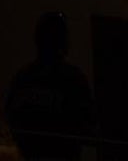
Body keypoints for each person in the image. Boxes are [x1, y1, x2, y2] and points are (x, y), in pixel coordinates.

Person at [6, 13, 97, 161]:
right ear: (63, 41)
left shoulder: (24, 77)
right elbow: (88, 124)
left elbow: (12, 119)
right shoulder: (73, 78)